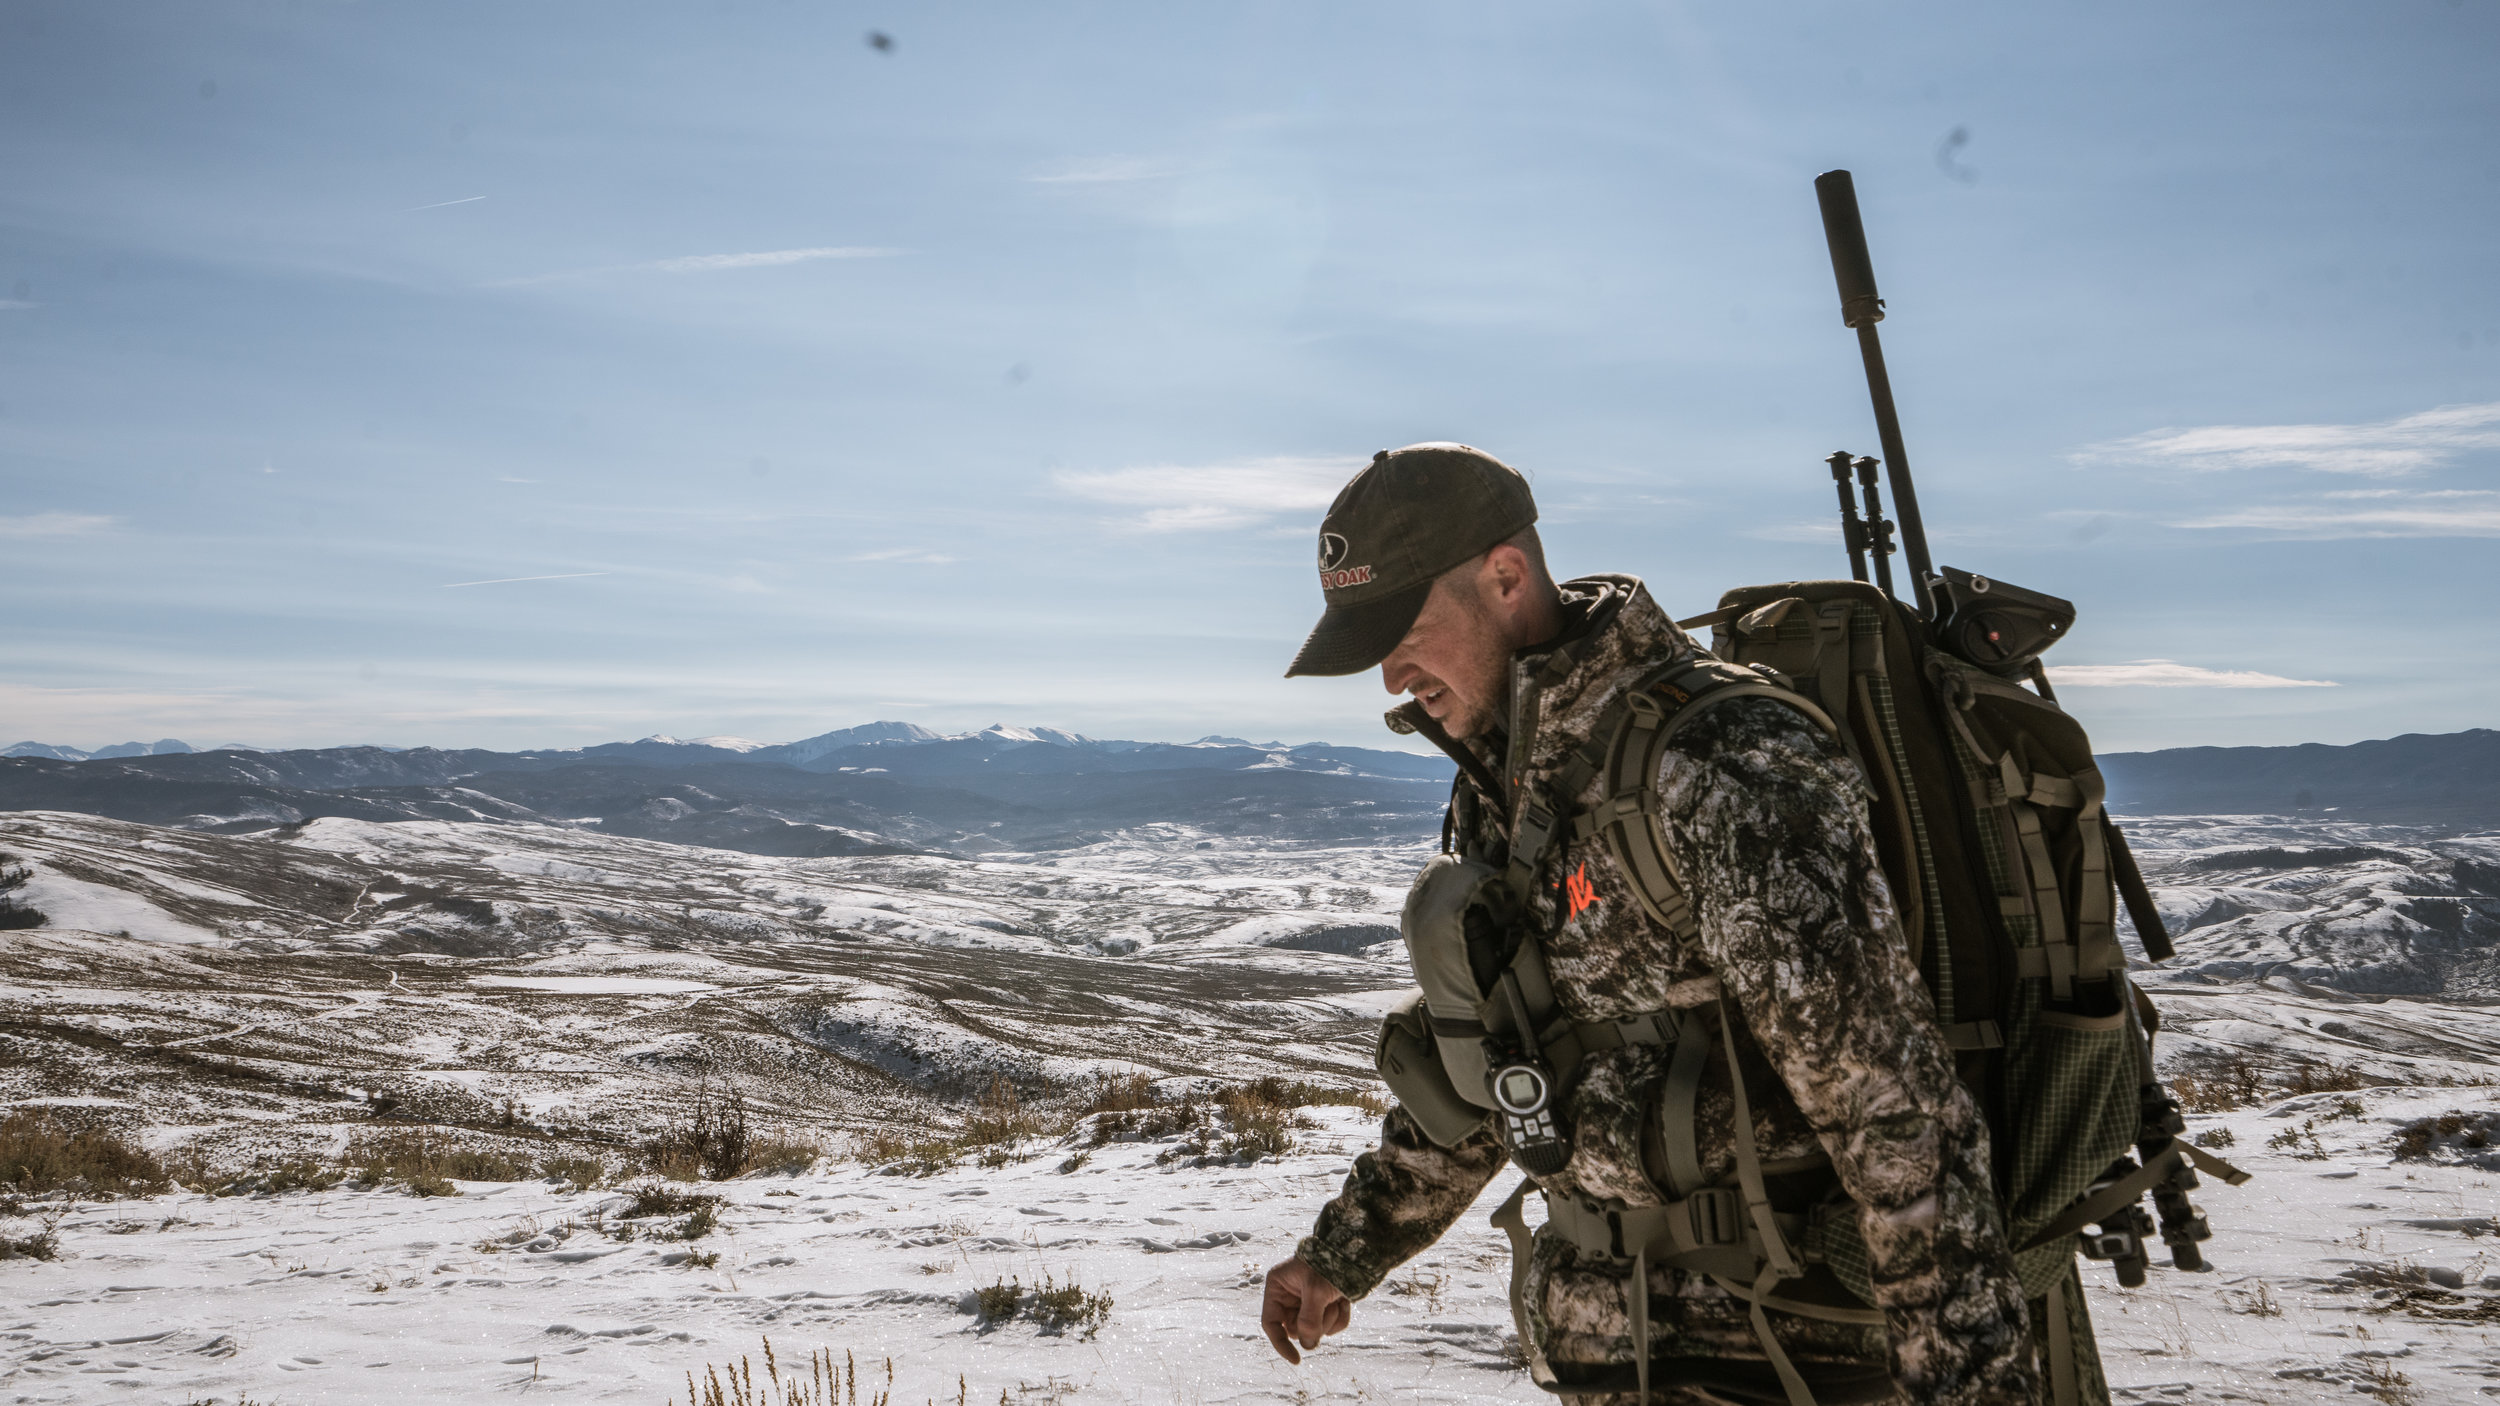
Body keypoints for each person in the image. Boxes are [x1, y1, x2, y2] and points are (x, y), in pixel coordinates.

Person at [1259, 443, 2040, 1405]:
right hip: (1611, 1349)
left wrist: (1969, 1383)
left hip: (1776, 1353)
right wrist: (1341, 1255)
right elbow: (1506, 1064)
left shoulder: (1720, 755)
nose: (1389, 677)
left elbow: (1893, 1109)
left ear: (1506, 576)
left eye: (1402, 631)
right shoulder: (1505, 779)